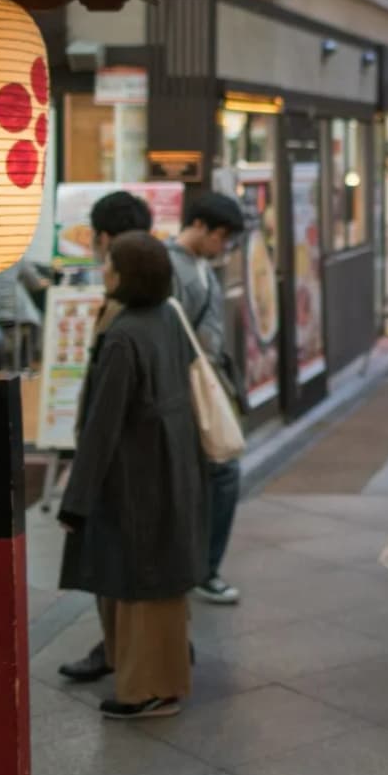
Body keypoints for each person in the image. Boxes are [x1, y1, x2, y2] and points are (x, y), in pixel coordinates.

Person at [57, 232, 208, 720]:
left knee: (139, 582)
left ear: (125, 276)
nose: (104, 272)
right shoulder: (166, 318)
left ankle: (148, 690)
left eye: (110, 266)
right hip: (172, 466)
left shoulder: (123, 336)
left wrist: (74, 501)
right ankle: (155, 679)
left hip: (133, 476)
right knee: (160, 580)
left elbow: (101, 426)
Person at [59, 190, 155, 686]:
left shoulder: (124, 315)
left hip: (123, 462)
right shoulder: (155, 292)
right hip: (147, 460)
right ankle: (133, 648)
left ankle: (127, 654)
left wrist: (79, 489)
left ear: (103, 240)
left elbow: (106, 411)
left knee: (118, 563)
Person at [168, 192, 247, 608]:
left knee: (218, 475)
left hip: (204, 385)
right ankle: (202, 570)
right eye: (222, 237)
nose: (224, 247)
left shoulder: (200, 266)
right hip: (188, 390)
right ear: (199, 225)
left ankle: (199, 567)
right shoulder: (172, 266)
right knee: (222, 474)